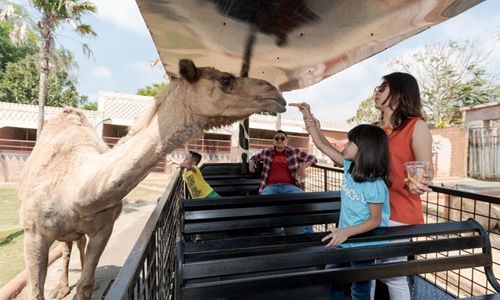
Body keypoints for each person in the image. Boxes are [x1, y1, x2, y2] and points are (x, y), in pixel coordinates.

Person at [296, 103, 391, 300]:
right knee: (332, 278)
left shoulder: (375, 185)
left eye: (349, 143)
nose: (344, 146)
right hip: (342, 238)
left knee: (360, 288)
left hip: (363, 243)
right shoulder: (349, 166)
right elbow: (322, 145)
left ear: (363, 149)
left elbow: (375, 220)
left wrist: (346, 231)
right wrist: (311, 123)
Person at [370, 72, 434, 299]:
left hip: (400, 213)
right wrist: (315, 130)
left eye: (383, 86)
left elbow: (426, 169)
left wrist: (420, 181)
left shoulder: (416, 126)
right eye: (378, 86)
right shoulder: (374, 129)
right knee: (372, 270)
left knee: (392, 274)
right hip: (371, 210)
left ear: (399, 92)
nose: (377, 91)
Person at [248, 130, 317, 234]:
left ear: (287, 141)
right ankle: (276, 233)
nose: (279, 140)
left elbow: (313, 158)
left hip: (289, 187)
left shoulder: (295, 152)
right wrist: (252, 161)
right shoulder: (267, 152)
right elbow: (254, 157)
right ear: (273, 141)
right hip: (270, 187)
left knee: (306, 202)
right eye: (277, 138)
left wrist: (302, 166)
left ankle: (307, 234)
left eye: (282, 138)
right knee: (263, 206)